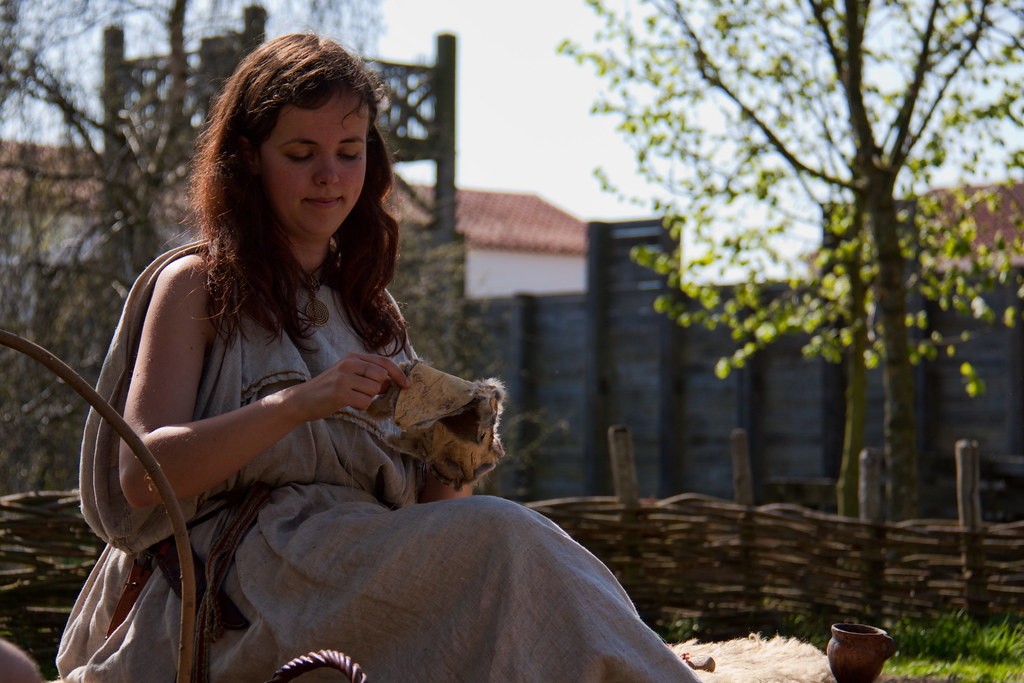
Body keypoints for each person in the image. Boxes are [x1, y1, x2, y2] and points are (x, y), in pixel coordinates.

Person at [57, 33, 701, 682]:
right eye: (301, 153)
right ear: (249, 158)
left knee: (511, 546)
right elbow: (141, 475)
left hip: (355, 569)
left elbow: (432, 520)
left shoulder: (371, 311)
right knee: (508, 537)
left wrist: (454, 448)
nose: (329, 176)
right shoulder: (198, 285)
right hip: (237, 591)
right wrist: (293, 405)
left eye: (348, 151)